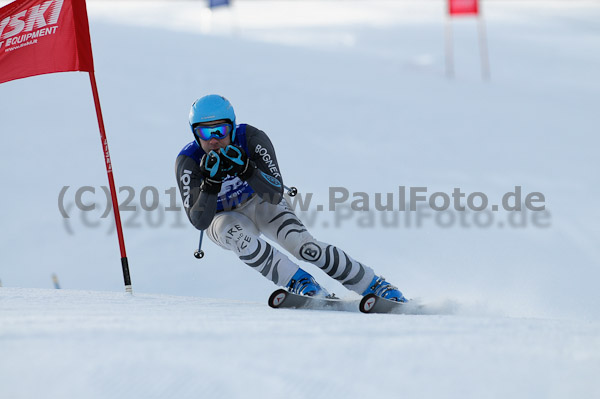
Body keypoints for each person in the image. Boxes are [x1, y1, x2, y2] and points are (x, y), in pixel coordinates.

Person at [175, 94, 406, 301]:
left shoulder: (251, 138)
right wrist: (210, 184)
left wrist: (247, 169)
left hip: (260, 202)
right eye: (205, 132)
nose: (213, 140)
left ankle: (375, 285)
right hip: (222, 216)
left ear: (232, 128)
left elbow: (274, 195)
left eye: (220, 131)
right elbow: (200, 221)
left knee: (304, 247)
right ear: (195, 134)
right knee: (240, 238)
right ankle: (300, 282)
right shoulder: (188, 161)